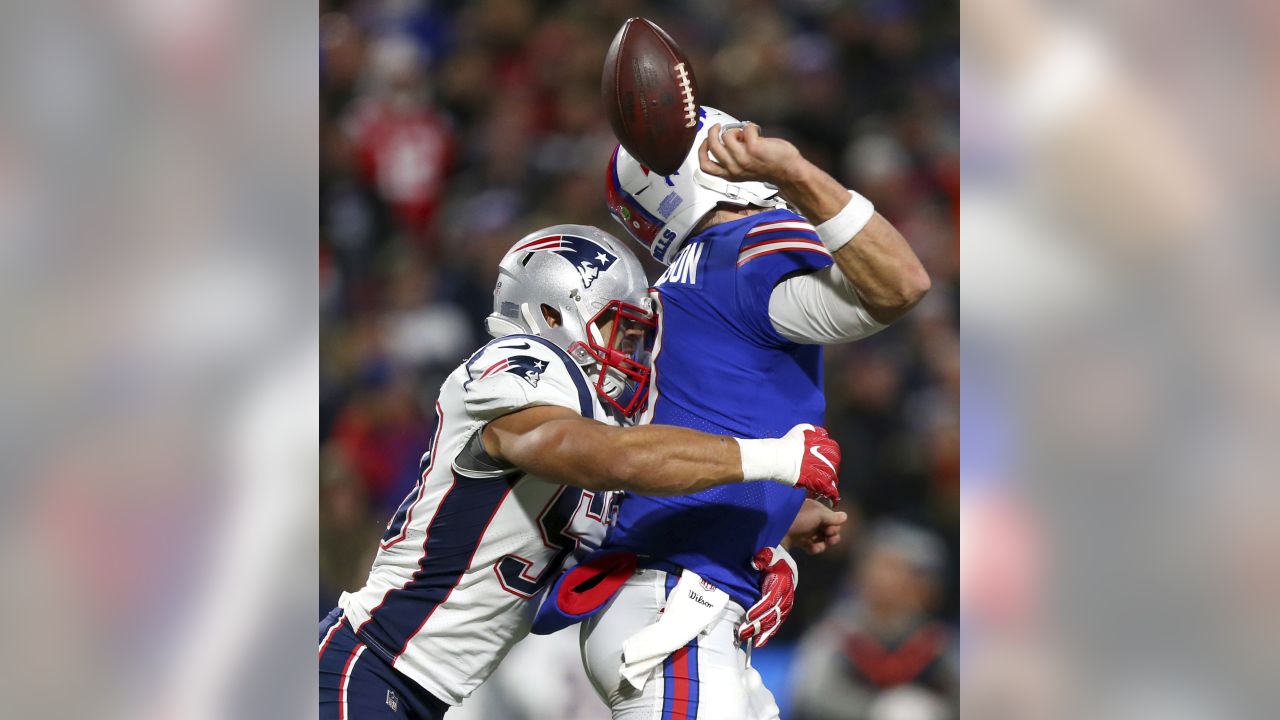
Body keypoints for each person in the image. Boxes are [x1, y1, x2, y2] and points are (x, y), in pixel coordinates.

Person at [318, 224, 844, 720]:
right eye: (621, 328)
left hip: (417, 690)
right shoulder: (521, 361)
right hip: (370, 662)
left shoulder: (591, 420)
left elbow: (640, 514)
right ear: (551, 314)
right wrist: (773, 457)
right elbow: (610, 456)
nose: (631, 352)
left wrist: (770, 544)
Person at [578, 106, 931, 720]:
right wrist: (796, 171)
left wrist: (774, 514)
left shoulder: (677, 287)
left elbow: (695, 422)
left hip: (667, 598)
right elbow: (901, 284)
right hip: (678, 603)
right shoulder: (744, 246)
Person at [790, 521, 957, 720]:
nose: (894, 580)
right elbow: (808, 695)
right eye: (889, 567)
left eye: (913, 573)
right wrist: (876, 710)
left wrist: (928, 709)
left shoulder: (935, 638)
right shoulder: (837, 630)